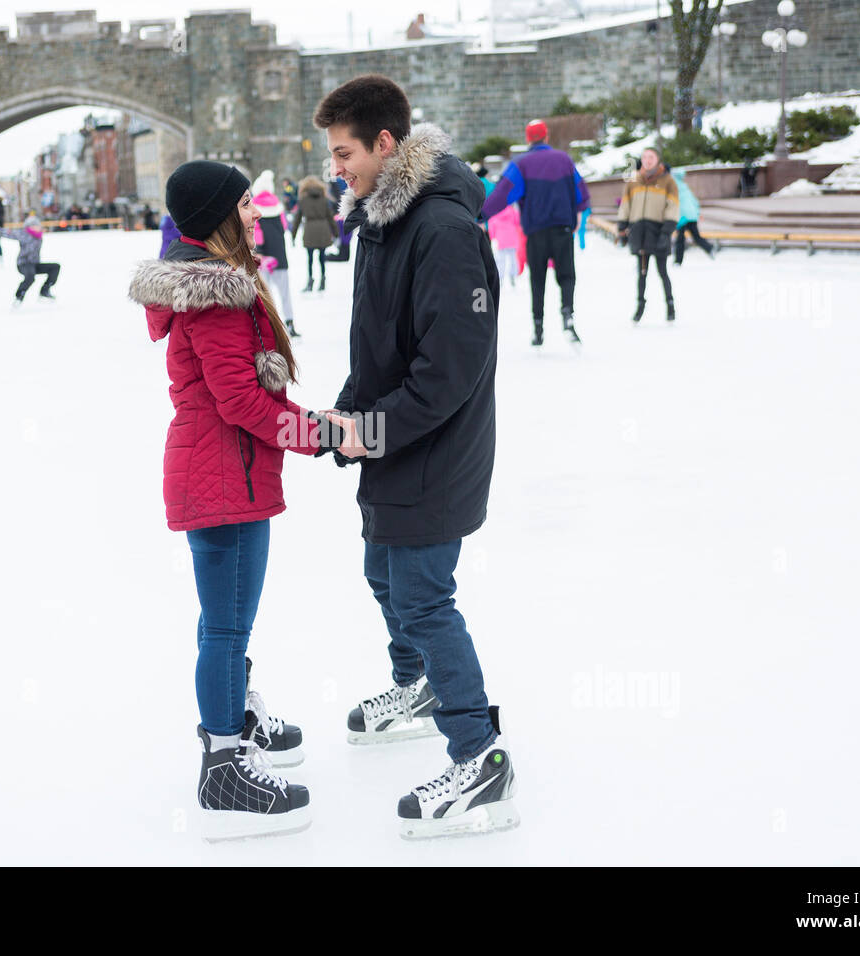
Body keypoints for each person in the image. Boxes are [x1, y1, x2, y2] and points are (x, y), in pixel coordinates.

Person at [314, 73, 517, 840]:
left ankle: (480, 755)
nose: (338, 166)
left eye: (345, 153)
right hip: (396, 445)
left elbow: (448, 371)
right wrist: (345, 412)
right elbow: (383, 350)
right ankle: (419, 685)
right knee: (383, 575)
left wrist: (366, 430)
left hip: (434, 449)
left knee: (425, 595)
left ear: (386, 144)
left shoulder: (439, 229)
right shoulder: (383, 220)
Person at [128, 159, 339, 841]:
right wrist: (323, 436)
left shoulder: (220, 286)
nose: (257, 213)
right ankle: (223, 765)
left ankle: (236, 715)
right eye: (246, 204)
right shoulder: (218, 297)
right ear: (219, 217)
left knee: (225, 625)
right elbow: (243, 401)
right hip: (224, 480)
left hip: (225, 474)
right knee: (225, 629)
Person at [482, 118, 590, 347]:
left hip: (536, 233)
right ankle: (568, 315)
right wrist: (578, 215)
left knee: (537, 279)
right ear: (547, 136)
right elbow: (581, 192)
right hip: (562, 229)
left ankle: (538, 327)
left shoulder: (522, 164)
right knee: (567, 276)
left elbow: (503, 194)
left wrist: (481, 214)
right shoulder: (564, 160)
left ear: (528, 138)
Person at [618, 147, 679, 323]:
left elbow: (673, 206)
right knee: (642, 272)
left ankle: (670, 306)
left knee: (662, 271)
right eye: (645, 157)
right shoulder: (633, 180)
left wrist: (666, 231)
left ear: (658, 159)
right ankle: (640, 307)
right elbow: (626, 205)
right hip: (639, 232)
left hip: (658, 231)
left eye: (651, 157)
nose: (647, 160)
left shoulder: (667, 181)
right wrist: (622, 227)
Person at [251, 169, 298, 338]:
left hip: (263, 257)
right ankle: (290, 322)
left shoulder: (254, 206)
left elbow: (256, 232)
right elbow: (284, 227)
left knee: (265, 293)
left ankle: (268, 324)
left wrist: (260, 252)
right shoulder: (278, 206)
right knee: (285, 292)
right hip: (280, 255)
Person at [0, 214, 59, 303]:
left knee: (55, 267)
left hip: (35, 264)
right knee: (30, 276)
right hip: (23, 264)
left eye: (38, 225)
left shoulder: (39, 235)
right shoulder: (23, 234)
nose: (38, 227)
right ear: (29, 226)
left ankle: (44, 291)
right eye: (35, 225)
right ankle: (19, 296)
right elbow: (8, 233)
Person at [290, 176, 336, 292]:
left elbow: (297, 219)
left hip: (310, 230)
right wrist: (336, 232)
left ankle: (310, 281)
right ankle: (323, 281)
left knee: (310, 258)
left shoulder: (302, 200)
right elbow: (330, 216)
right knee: (322, 257)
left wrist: (293, 235)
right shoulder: (324, 199)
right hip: (323, 230)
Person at [671, 168, 714, 265]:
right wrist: (697, 213)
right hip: (692, 215)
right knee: (696, 236)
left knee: (680, 239)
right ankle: (709, 248)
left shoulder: (674, 185)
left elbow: (675, 202)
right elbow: (694, 201)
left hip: (683, 216)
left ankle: (678, 261)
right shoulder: (684, 186)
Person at [487, 201, 524, 289]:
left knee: (501, 260)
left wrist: (492, 236)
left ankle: (500, 277)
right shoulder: (512, 211)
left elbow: (491, 225)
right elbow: (518, 221)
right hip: (512, 239)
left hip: (501, 240)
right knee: (513, 259)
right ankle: (513, 275)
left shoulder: (495, 213)